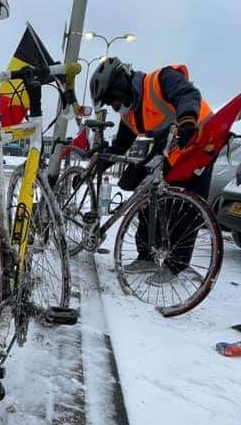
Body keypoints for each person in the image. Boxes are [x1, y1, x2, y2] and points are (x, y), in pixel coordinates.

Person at [89, 56, 213, 283]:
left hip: (201, 138)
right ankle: (146, 256)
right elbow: (121, 145)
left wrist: (187, 121)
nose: (115, 108)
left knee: (184, 206)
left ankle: (175, 266)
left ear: (120, 86)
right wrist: (98, 163)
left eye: (113, 101)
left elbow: (188, 94)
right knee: (148, 194)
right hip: (172, 144)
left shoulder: (161, 79)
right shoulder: (130, 113)